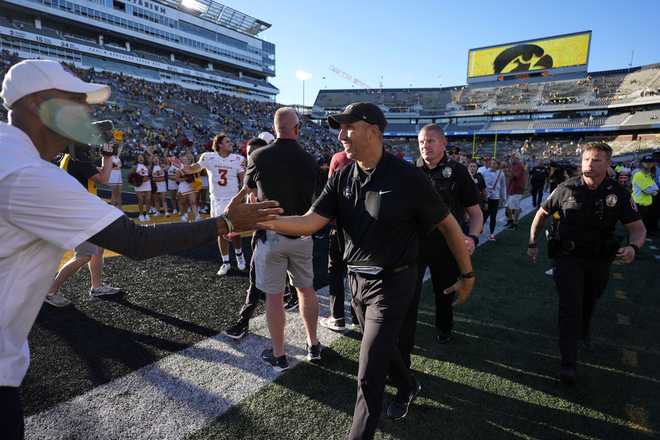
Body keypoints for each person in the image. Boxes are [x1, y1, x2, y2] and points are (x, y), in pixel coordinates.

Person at [0, 59, 282, 439]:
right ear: (37, 104)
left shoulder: (12, 156)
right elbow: (136, 241)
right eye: (75, 99)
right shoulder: (28, 172)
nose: (86, 110)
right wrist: (227, 223)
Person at [258, 103, 475, 440]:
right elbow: (310, 222)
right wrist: (263, 220)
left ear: (373, 130)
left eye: (348, 127)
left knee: (368, 373)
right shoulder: (343, 176)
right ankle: (408, 384)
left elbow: (448, 225)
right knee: (383, 351)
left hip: (394, 281)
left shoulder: (407, 177)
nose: (341, 134)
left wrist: (467, 275)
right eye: (340, 128)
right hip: (357, 281)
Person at [528, 142, 646, 385]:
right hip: (567, 258)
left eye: (596, 160)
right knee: (570, 306)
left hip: (599, 260)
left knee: (589, 300)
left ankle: (584, 330)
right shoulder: (566, 188)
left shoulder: (618, 194)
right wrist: (533, 242)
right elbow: (541, 214)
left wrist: (633, 247)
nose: (589, 165)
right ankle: (568, 363)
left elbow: (638, 229)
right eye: (586, 160)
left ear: (608, 164)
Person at [245, 107, 321, 370]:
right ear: (297, 128)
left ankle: (279, 354)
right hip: (301, 232)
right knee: (306, 290)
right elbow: (317, 199)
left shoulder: (258, 155)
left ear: (275, 128)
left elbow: (250, 194)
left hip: (272, 234)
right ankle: (313, 344)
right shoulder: (309, 160)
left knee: (275, 297)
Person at [405, 124, 482, 349]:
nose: (425, 146)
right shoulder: (410, 171)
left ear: (443, 143)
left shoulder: (458, 172)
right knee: (408, 291)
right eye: (421, 142)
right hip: (415, 243)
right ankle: (406, 329)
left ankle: (444, 328)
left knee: (445, 291)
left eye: (430, 141)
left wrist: (474, 237)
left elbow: (475, 213)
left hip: (448, 244)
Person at [44, 141, 121, 307]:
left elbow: (97, 173)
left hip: (78, 209)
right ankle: (50, 291)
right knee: (84, 255)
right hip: (79, 211)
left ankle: (97, 286)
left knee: (98, 248)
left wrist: (106, 160)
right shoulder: (78, 159)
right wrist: (107, 156)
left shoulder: (68, 158)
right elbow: (104, 179)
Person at [180, 134, 247, 275]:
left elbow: (243, 180)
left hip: (232, 199)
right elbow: (193, 169)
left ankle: (239, 254)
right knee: (220, 231)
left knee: (234, 232)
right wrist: (182, 166)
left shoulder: (238, 159)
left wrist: (243, 196)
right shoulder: (208, 157)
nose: (231, 143)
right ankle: (226, 262)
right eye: (227, 142)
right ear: (220, 144)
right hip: (216, 200)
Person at [223, 137, 270, 339]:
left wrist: (235, 204)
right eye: (248, 152)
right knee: (259, 279)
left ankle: (243, 322)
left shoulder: (266, 171)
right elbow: (248, 191)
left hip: (273, 232)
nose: (249, 156)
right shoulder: (258, 170)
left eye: (253, 152)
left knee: (257, 278)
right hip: (273, 232)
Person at [319, 149, 357, 332]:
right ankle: (358, 315)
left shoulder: (339, 158)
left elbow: (330, 193)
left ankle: (338, 316)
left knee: (336, 271)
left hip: (340, 225)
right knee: (357, 272)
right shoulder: (375, 159)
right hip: (364, 227)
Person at [480, 159, 507, 241]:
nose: (492, 164)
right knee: (484, 215)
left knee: (493, 216)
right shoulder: (484, 172)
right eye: (491, 163)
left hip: (495, 198)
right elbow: (482, 185)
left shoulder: (501, 173)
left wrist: (504, 198)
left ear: (497, 165)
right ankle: (479, 229)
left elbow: (503, 186)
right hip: (486, 198)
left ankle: (491, 234)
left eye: (494, 163)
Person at [631, 155, 659, 235]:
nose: (648, 164)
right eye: (646, 162)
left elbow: (655, 188)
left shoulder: (649, 175)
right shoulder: (638, 175)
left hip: (646, 204)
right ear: (642, 163)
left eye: (650, 162)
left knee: (645, 222)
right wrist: (653, 190)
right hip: (638, 204)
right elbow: (648, 191)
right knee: (638, 224)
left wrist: (653, 190)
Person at [505, 153, 526, 229]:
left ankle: (515, 223)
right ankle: (510, 220)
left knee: (515, 207)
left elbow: (513, 176)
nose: (511, 158)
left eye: (512, 157)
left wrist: (506, 171)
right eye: (511, 157)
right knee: (508, 207)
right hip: (512, 188)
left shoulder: (519, 165)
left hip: (516, 189)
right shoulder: (512, 165)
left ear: (517, 158)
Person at [132, 154, 151, 221]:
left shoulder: (147, 166)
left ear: (144, 159)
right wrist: (136, 182)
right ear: (137, 159)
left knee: (148, 199)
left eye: (142, 157)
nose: (140, 158)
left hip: (147, 184)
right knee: (140, 200)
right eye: (139, 157)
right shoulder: (135, 167)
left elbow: (149, 175)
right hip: (138, 185)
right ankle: (141, 214)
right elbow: (131, 176)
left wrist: (146, 179)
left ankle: (147, 214)